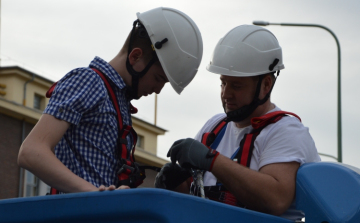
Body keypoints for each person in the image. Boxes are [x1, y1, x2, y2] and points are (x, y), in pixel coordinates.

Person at [18, 7, 203, 194]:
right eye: (158, 78)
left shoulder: (118, 101)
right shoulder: (88, 81)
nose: (158, 90)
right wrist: (96, 194)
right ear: (135, 57)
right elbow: (32, 152)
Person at [155, 25, 320, 221]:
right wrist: (175, 185)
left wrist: (212, 160)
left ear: (266, 84)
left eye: (237, 85)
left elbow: (276, 200)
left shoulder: (286, 131)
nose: (226, 94)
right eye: (223, 83)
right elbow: (195, 199)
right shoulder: (215, 127)